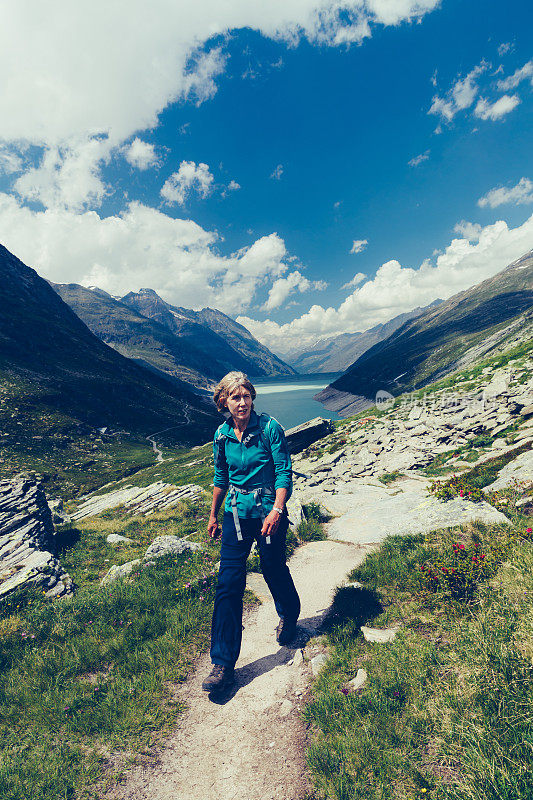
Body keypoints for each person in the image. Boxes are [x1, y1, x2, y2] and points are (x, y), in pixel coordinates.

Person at [202, 371, 301, 694]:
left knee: (272, 567)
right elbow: (220, 476)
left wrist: (278, 509)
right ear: (224, 402)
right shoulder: (221, 435)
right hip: (235, 513)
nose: (242, 403)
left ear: (252, 398)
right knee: (228, 582)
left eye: (246, 396)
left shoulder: (270, 428)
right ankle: (223, 664)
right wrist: (214, 515)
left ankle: (289, 613)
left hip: (268, 510)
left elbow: (284, 471)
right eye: (235, 397)